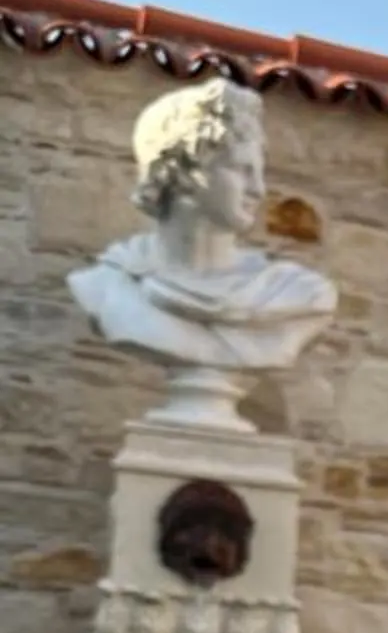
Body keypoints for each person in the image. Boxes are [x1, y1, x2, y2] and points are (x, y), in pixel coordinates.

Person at [68, 77, 335, 427]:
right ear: (181, 172)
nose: (258, 189)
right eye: (241, 170)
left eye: (259, 172)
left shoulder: (298, 295)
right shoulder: (107, 286)